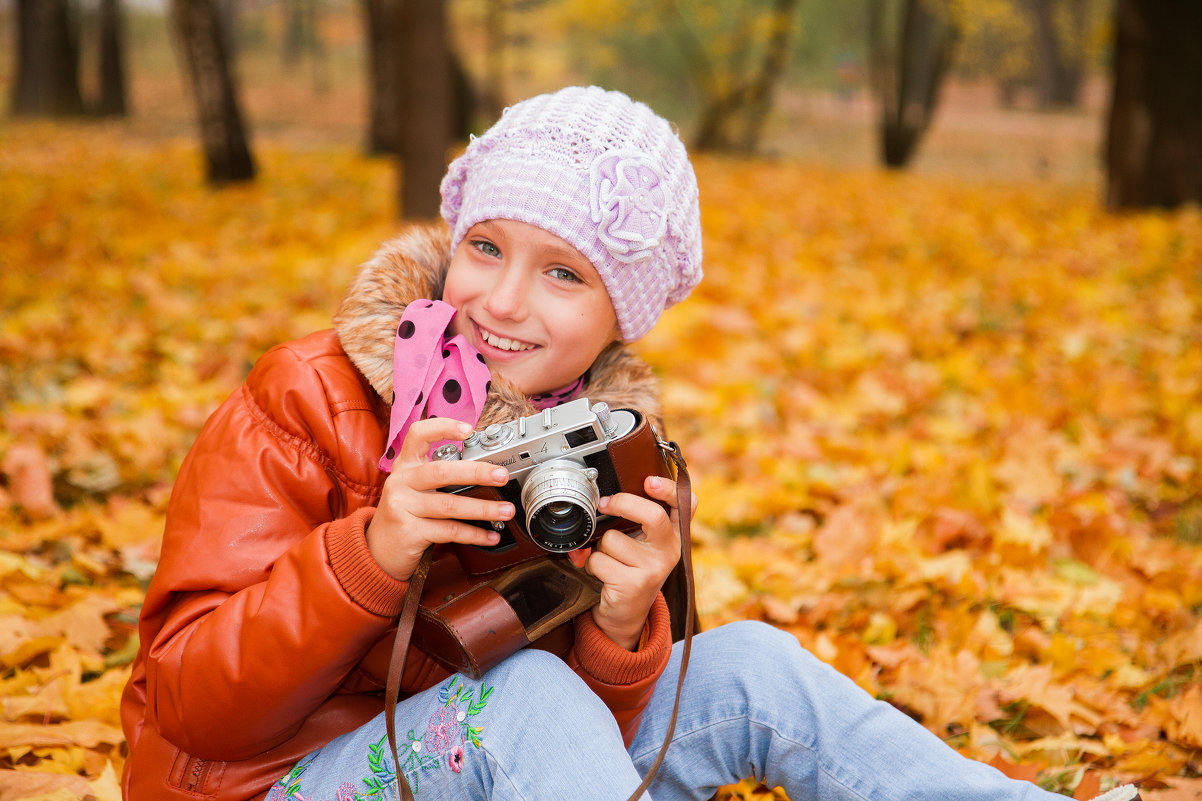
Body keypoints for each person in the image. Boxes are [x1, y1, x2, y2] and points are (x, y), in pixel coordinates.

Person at [120, 86, 1139, 801]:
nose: (502, 303)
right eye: (485, 247)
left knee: (748, 669)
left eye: (564, 274)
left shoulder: (602, 444)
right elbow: (194, 709)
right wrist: (369, 555)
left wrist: (619, 617)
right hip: (266, 784)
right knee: (513, 697)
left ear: (624, 315)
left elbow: (587, 731)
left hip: (489, 761)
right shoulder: (308, 394)